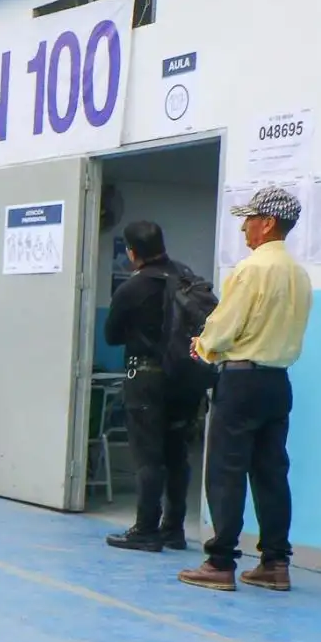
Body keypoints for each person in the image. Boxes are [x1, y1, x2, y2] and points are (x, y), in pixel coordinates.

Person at [179, 185, 314, 592]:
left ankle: (220, 562)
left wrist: (202, 345)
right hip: (277, 382)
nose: (244, 228)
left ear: (267, 223)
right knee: (272, 472)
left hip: (240, 382)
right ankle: (275, 562)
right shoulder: (299, 275)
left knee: (226, 472)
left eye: (249, 220)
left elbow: (224, 327)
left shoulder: (251, 269)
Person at [101, 219, 211, 552]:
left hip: (146, 379)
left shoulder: (132, 288)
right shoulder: (186, 277)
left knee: (149, 457)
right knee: (178, 453)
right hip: (185, 378)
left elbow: (111, 335)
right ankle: (173, 529)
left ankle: (145, 529)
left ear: (132, 253)